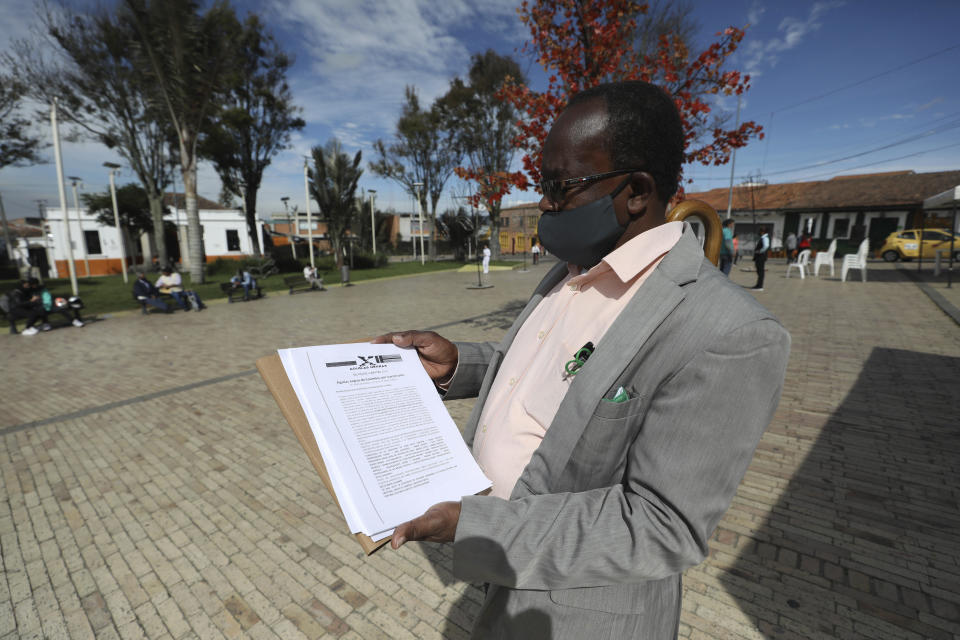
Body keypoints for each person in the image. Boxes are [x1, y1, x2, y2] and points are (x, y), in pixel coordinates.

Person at [374, 81, 790, 638]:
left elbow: (660, 525)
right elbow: (552, 375)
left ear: (636, 191)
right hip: (506, 578)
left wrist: (477, 525)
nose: (543, 203)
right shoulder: (572, 270)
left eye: (559, 185)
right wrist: (457, 367)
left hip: (581, 612)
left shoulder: (730, 332)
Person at [752, 226, 771, 291]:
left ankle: (760, 286)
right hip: (759, 256)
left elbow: (766, 246)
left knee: (760, 271)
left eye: (760, 231)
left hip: (761, 256)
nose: (759, 232)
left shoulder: (765, 238)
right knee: (759, 270)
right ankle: (758, 284)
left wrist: (760, 251)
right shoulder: (763, 237)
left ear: (762, 231)